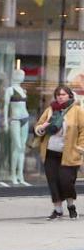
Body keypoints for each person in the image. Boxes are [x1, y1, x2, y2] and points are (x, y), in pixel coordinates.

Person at [34, 85, 84, 220]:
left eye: (63, 94)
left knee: (66, 181)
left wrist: (80, 147)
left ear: (69, 96)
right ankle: (57, 210)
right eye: (58, 95)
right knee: (53, 181)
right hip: (50, 152)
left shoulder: (77, 110)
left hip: (69, 153)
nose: (60, 97)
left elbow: (83, 131)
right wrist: (41, 128)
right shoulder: (50, 110)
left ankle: (71, 206)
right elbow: (38, 127)